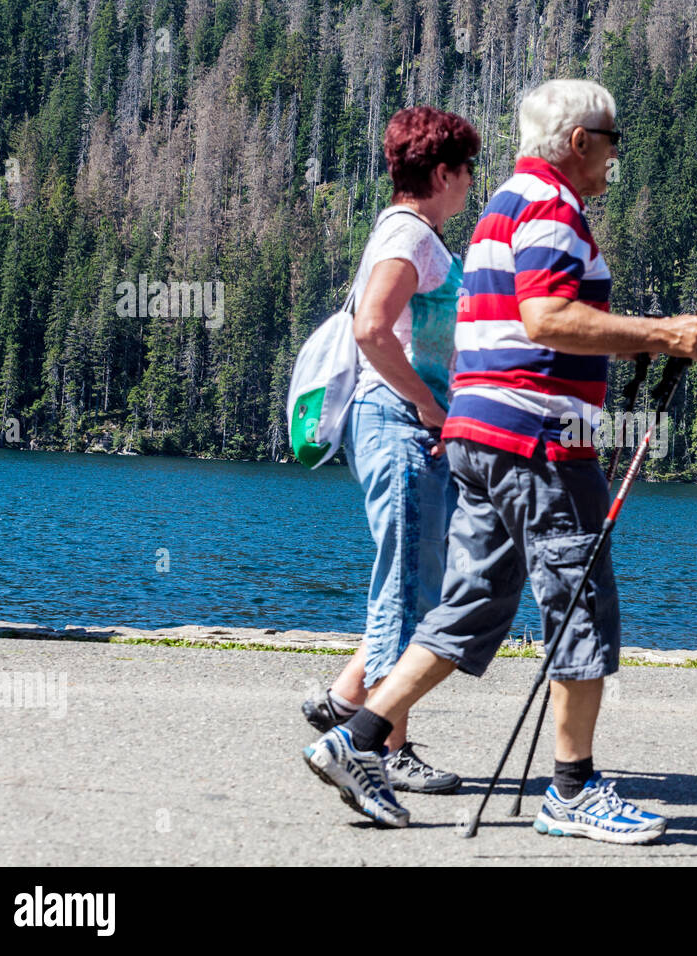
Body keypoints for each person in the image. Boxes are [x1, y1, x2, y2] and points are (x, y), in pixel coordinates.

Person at [302, 78, 697, 839]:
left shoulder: (497, 207)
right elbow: (548, 317)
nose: (616, 155)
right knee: (579, 607)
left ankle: (353, 740)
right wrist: (660, 334)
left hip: (477, 436)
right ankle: (573, 791)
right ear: (579, 141)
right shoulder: (554, 209)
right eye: (612, 140)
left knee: (471, 605)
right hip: (541, 443)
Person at [299, 106, 479, 795]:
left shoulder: (416, 234)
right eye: (465, 169)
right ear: (441, 172)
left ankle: (345, 702)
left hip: (402, 426)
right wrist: (430, 406)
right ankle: (383, 749)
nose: (470, 183)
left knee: (414, 580)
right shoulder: (410, 235)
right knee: (407, 590)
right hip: (399, 425)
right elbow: (375, 328)